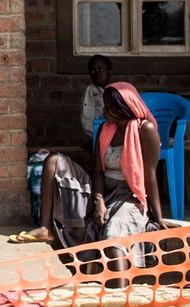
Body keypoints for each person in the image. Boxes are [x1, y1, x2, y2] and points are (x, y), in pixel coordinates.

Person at [12, 82, 165, 274]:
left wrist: (158, 217)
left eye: (109, 107)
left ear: (123, 108)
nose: (104, 110)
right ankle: (45, 228)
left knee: (113, 236)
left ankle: (120, 288)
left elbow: (150, 175)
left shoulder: (145, 130)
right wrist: (98, 200)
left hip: (129, 194)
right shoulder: (105, 130)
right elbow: (98, 171)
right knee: (53, 161)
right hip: (102, 189)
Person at [81, 54, 113, 139]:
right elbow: (86, 122)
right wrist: (100, 135)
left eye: (101, 70)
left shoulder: (115, 91)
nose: (97, 74)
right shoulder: (91, 91)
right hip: (98, 136)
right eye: (92, 71)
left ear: (110, 71)